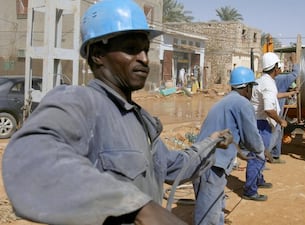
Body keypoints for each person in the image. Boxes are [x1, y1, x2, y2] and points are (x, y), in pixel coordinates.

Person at [1, 1, 233, 225]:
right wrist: (139, 209)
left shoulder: (140, 121)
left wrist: (211, 144)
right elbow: (31, 160)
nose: (143, 58)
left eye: (145, 49)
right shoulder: (79, 102)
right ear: (98, 55)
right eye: (132, 49)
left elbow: (173, 166)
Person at [193, 66, 268, 225]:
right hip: (211, 164)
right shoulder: (242, 103)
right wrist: (261, 152)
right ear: (247, 87)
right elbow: (252, 137)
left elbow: (236, 136)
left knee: (215, 204)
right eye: (252, 87)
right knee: (209, 215)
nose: (252, 91)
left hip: (204, 160)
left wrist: (243, 153)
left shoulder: (226, 101)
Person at [247, 52, 288, 195]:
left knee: (261, 154)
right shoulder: (268, 83)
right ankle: (250, 191)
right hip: (261, 123)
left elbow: (272, 97)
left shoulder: (263, 80)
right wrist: (280, 121)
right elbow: (269, 109)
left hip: (257, 122)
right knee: (257, 156)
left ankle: (259, 180)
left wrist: (290, 94)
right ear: (275, 67)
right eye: (279, 66)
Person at [268, 53, 299, 163]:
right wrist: (294, 62)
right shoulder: (282, 78)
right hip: (275, 111)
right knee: (276, 132)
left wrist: (289, 93)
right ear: (277, 69)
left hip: (268, 111)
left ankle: (275, 154)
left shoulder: (266, 80)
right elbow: (295, 74)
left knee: (276, 132)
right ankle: (266, 154)